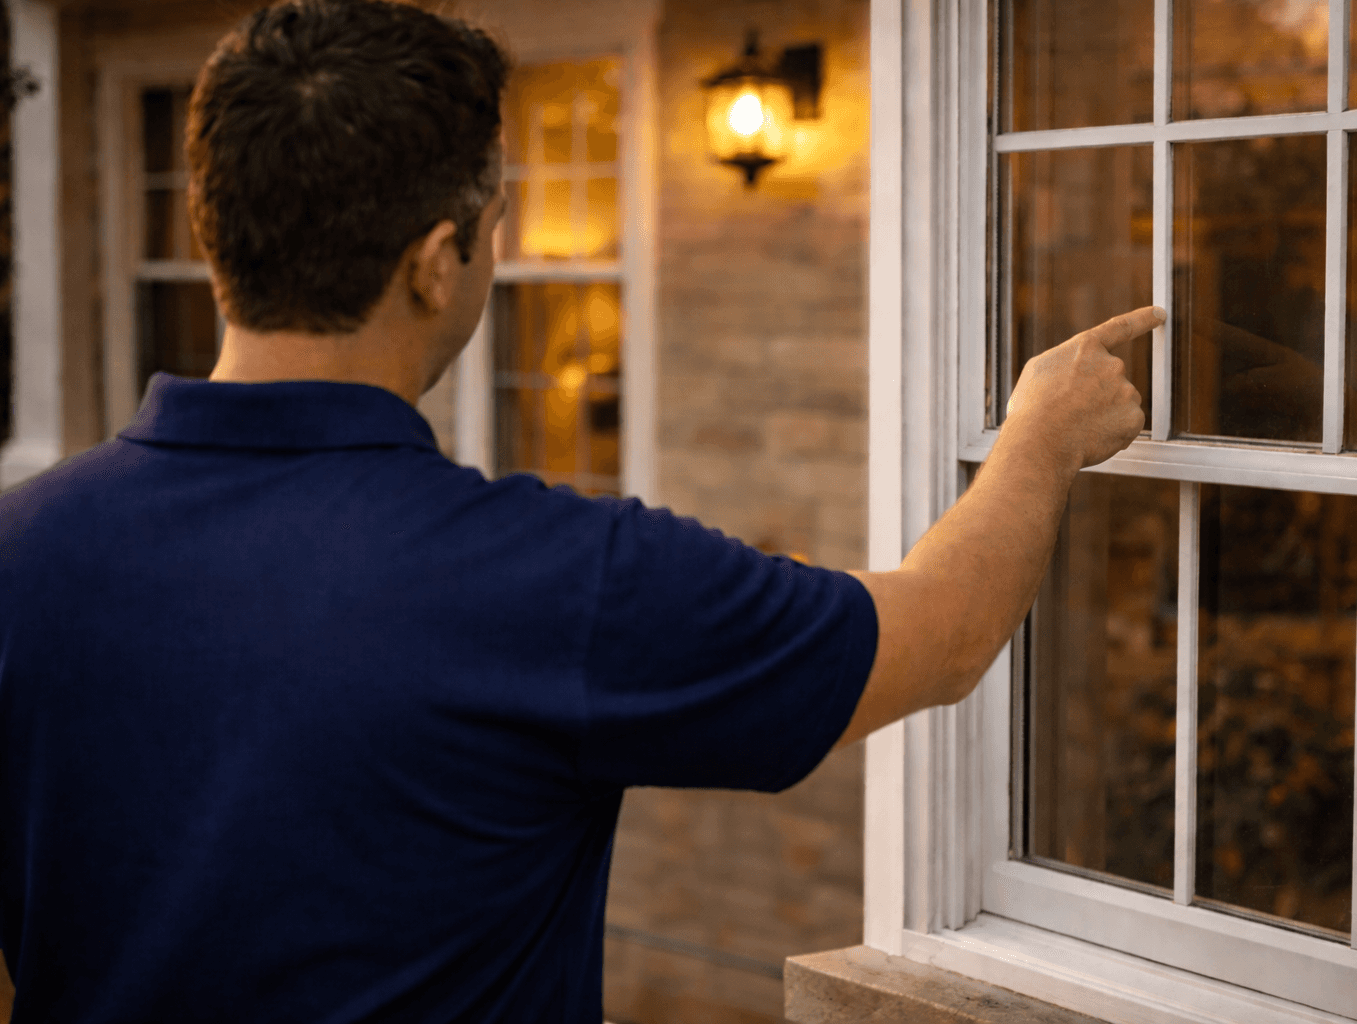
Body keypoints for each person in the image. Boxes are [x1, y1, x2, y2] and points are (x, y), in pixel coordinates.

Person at [0, 1, 1161, 1020]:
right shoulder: (559, 578)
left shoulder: (21, 552)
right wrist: (1043, 435)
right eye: (495, 224)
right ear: (439, 259)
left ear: (214, 239)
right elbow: (943, 634)